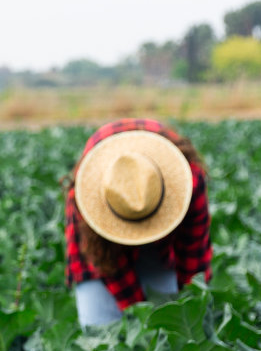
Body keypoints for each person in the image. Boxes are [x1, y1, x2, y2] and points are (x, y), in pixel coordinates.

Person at [65, 118, 211, 327]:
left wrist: (191, 303)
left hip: (160, 248)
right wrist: (140, 317)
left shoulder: (190, 180)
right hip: (101, 250)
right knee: (101, 329)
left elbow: (193, 254)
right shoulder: (86, 195)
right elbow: (107, 264)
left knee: (173, 324)